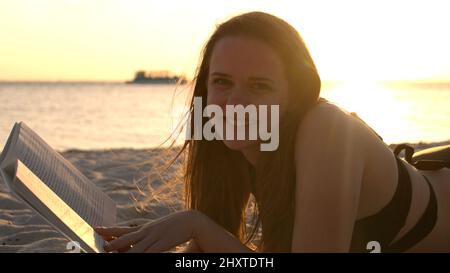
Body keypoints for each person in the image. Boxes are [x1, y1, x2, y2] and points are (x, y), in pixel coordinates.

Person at [95, 11, 450, 253]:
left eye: (259, 85)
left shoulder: (326, 131)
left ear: (294, 93)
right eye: (222, 82)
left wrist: (197, 226)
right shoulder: (234, 147)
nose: (235, 103)